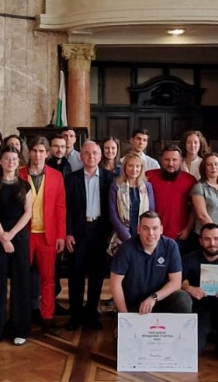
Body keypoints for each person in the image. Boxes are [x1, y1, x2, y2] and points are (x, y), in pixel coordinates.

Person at [0, 146, 35, 345]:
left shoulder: (25, 186)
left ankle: (20, 329)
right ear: (0, 161)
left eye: (14, 159)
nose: (10, 162)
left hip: (19, 236)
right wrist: (2, 237)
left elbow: (28, 213)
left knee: (21, 282)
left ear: (18, 162)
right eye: (7, 158)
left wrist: (11, 235)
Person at [64, 140, 114, 330]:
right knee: (75, 273)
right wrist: (68, 233)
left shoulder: (110, 178)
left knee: (97, 274)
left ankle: (92, 312)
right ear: (81, 156)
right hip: (78, 231)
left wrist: (111, 233)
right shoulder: (71, 179)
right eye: (86, 153)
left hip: (101, 231)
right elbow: (66, 209)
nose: (91, 156)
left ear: (100, 156)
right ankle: (75, 315)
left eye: (94, 153)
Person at [22, 136, 67, 332]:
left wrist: (61, 236)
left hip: (48, 235)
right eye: (34, 151)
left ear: (47, 153)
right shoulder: (18, 174)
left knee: (48, 278)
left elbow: (60, 207)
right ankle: (21, 314)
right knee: (22, 276)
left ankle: (47, 315)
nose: (38, 155)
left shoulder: (56, 176)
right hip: (24, 234)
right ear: (29, 153)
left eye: (41, 151)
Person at [108, 211, 193, 314]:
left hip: (159, 300)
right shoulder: (126, 248)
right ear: (138, 229)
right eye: (145, 228)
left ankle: (176, 329)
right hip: (133, 305)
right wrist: (125, 318)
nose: (151, 233)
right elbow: (115, 283)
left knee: (183, 298)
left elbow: (176, 282)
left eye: (155, 228)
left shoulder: (171, 246)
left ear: (161, 229)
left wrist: (154, 297)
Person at [180, 224, 218, 360]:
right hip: (200, 305)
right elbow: (174, 282)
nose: (212, 243)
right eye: (207, 239)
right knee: (196, 349)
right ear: (200, 241)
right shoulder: (189, 259)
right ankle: (205, 334)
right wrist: (189, 289)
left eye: (216, 239)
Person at [146, 143, 198, 249]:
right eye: (167, 159)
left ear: (181, 161)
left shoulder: (190, 180)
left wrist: (188, 229)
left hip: (179, 235)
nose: (170, 163)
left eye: (174, 160)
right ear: (161, 160)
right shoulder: (148, 176)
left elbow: (194, 208)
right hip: (153, 234)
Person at [109, 152, 156, 248]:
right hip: (121, 235)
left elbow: (151, 211)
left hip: (143, 234)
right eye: (130, 165)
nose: (134, 169)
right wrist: (126, 237)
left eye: (137, 166)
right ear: (125, 167)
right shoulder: (116, 186)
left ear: (141, 168)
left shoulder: (147, 186)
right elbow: (113, 214)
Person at [191, 152, 218, 242]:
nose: (213, 167)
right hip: (205, 237)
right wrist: (216, 235)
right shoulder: (199, 187)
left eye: (216, 164)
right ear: (204, 168)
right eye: (209, 165)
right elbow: (202, 215)